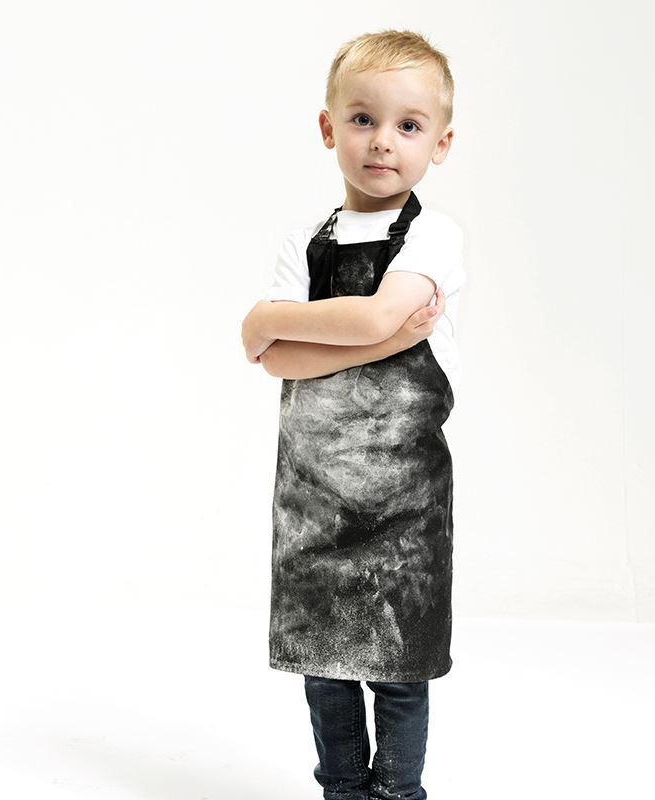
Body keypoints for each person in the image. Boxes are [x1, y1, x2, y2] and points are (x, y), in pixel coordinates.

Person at [241, 28, 466, 800]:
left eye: (409, 125)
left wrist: (279, 321)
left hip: (403, 507)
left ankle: (399, 793)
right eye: (363, 119)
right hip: (315, 501)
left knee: (400, 670)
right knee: (326, 668)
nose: (382, 141)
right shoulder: (305, 241)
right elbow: (274, 357)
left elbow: (353, 322)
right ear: (328, 127)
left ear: (440, 143)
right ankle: (341, 790)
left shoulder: (434, 235)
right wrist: (375, 332)